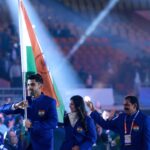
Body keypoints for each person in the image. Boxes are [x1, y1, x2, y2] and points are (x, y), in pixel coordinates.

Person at [0, 73, 58, 150]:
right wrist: (16, 105)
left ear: (40, 86)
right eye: (28, 85)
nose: (29, 87)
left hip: (43, 146)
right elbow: (2, 109)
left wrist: (32, 125)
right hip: (25, 145)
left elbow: (53, 123)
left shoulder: (49, 102)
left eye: (32, 85)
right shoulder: (25, 101)